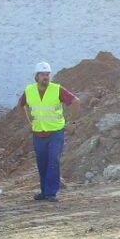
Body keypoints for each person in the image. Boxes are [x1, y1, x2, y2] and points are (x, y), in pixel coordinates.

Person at [18, 61, 80, 202]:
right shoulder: (29, 91)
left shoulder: (57, 89)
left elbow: (76, 101)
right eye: (42, 75)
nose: (45, 77)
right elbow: (20, 105)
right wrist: (28, 124)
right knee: (42, 162)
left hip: (56, 131)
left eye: (47, 74)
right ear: (36, 76)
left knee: (53, 160)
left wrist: (73, 122)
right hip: (38, 132)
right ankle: (44, 191)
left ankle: (51, 192)